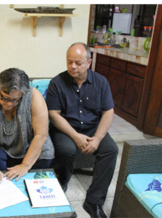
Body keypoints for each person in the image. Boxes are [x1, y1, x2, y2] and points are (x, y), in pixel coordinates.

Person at [47, 43, 118, 218]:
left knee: (111, 150)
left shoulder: (101, 82)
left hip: (93, 127)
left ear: (89, 62)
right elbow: (54, 115)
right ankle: (62, 182)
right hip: (66, 128)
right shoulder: (57, 83)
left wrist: (98, 138)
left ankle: (94, 201)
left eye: (78, 63)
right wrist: (75, 136)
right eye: (69, 62)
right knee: (66, 149)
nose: (73, 66)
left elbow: (108, 112)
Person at [0, 68, 54, 182]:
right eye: (4, 98)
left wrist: (25, 165)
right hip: (2, 151)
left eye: (15, 100)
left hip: (30, 148)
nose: (9, 104)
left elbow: (41, 134)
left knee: (46, 152)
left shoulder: (34, 96)